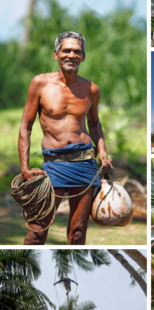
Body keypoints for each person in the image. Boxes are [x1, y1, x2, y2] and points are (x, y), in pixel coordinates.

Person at [18, 31, 112, 245]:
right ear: (56, 54)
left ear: (83, 56)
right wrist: (24, 167)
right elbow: (26, 126)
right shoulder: (40, 84)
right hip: (53, 166)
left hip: (85, 164)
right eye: (66, 50)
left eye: (77, 51)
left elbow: (95, 124)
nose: (71, 55)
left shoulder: (91, 89)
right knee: (36, 233)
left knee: (78, 234)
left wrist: (103, 152)